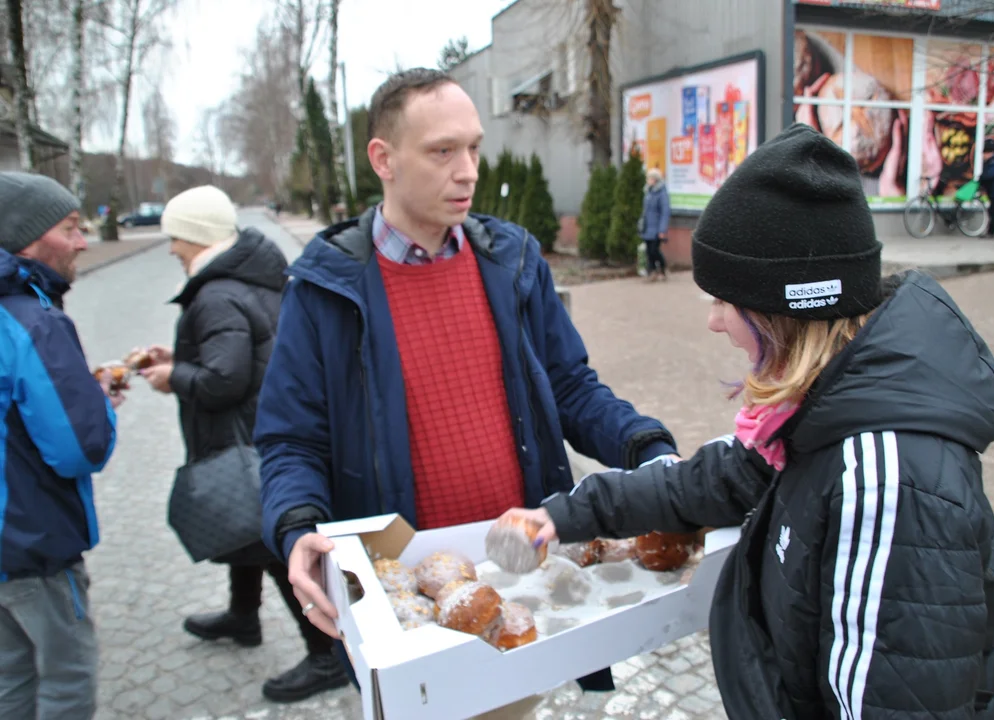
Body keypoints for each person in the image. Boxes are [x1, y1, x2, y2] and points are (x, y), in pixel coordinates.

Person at [502, 124, 994, 719]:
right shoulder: (810, 413)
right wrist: (563, 514)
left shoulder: (883, 479)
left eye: (725, 301)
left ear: (783, 311)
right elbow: (704, 483)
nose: (714, 322)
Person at [255, 68, 678, 697]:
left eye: (474, 147)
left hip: (516, 581)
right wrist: (296, 526)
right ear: (384, 158)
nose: (468, 169)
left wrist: (647, 450)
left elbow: (570, 387)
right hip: (413, 600)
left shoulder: (511, 261)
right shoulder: (325, 289)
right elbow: (291, 440)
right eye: (442, 150)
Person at [138, 186, 347, 702]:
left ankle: (326, 656)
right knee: (247, 532)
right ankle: (242, 617)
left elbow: (222, 379)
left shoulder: (214, 293)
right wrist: (182, 354)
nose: (171, 249)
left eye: (175, 238)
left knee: (272, 545)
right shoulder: (244, 279)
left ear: (195, 237)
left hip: (244, 438)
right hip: (258, 431)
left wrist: (173, 375)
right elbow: (235, 352)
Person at [0, 172, 122, 719]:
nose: (82, 242)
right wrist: (97, 406)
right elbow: (80, 447)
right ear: (27, 238)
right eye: (70, 228)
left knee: (11, 675)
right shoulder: (36, 322)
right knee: (66, 677)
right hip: (32, 543)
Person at [639, 167, 670, 281]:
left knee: (654, 250)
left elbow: (665, 212)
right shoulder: (648, 192)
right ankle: (651, 272)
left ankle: (662, 268)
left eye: (650, 178)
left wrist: (662, 230)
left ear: (655, 179)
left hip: (657, 228)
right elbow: (645, 211)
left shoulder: (662, 193)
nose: (648, 180)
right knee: (648, 251)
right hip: (647, 228)